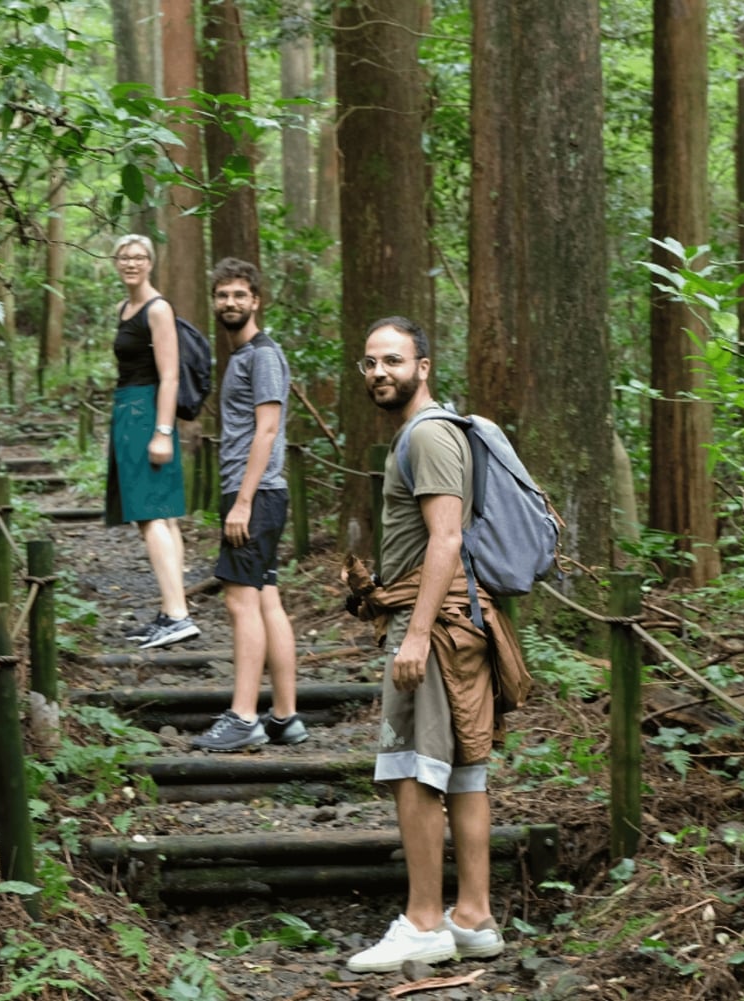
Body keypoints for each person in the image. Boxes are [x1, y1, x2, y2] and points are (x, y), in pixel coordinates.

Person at [340, 316, 531, 974]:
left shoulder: (427, 436)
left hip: (439, 621)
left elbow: (445, 538)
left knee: (413, 768)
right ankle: (473, 917)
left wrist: (415, 634)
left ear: (423, 366)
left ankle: (425, 922)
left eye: (392, 360)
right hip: (461, 618)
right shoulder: (431, 433)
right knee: (464, 769)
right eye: (369, 362)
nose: (379, 372)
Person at [190, 258, 307, 752]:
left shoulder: (262, 356)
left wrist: (241, 502)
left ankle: (243, 718)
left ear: (256, 300)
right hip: (258, 494)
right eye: (223, 295)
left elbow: (268, 429)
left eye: (240, 294)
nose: (230, 303)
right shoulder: (241, 356)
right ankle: (284, 716)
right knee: (264, 598)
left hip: (254, 494)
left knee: (240, 600)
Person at [104, 234, 199, 650]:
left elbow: (171, 375)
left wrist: (162, 431)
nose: (131, 263)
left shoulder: (158, 309)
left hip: (146, 413)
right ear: (115, 263)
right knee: (164, 515)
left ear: (151, 262)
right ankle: (172, 610)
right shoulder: (125, 308)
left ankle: (177, 614)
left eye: (139, 257)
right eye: (124, 257)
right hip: (129, 411)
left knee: (150, 516)